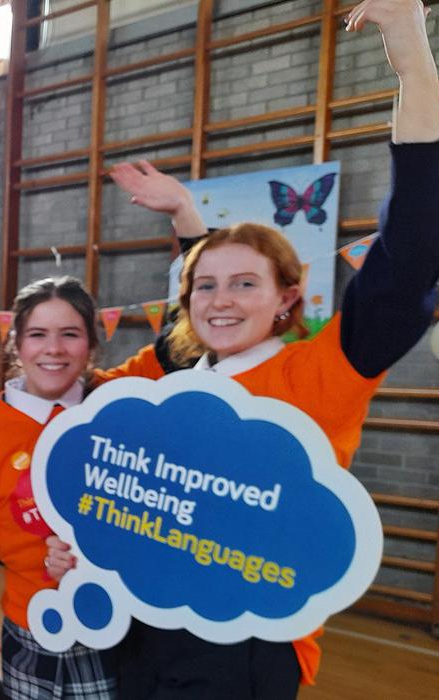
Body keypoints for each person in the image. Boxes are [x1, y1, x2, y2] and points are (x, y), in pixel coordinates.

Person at [48, 1, 439, 694]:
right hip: (142, 631)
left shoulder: (322, 371)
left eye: (246, 284)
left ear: (288, 297)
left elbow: (411, 248)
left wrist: (409, 48)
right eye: (207, 286)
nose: (221, 300)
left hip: (249, 650)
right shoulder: (169, 377)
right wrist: (84, 546)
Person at [0, 278, 122, 699]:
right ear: (16, 343)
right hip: (33, 628)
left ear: (91, 343)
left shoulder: (120, 405)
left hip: (123, 629)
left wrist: (186, 216)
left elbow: (183, 343)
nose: (53, 349)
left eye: (70, 334)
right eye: (38, 334)